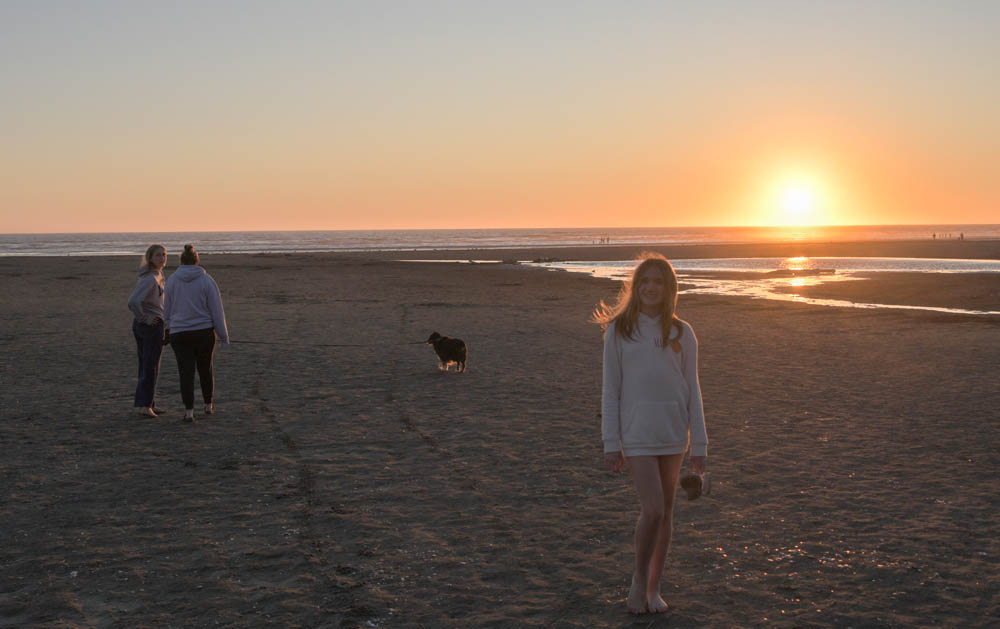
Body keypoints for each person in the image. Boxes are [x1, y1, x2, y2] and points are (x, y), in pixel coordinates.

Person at [592, 252, 708, 615]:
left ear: (669, 288)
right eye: (645, 281)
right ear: (635, 287)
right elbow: (611, 391)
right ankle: (638, 581)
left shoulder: (681, 332)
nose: (651, 288)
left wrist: (699, 445)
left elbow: (693, 388)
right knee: (653, 509)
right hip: (637, 435)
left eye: (658, 282)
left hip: (674, 435)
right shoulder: (619, 330)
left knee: (668, 512)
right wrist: (612, 443)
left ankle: (655, 587)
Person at [163, 244, 230, 422]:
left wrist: (168, 327)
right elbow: (217, 310)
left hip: (180, 333)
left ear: (181, 261)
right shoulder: (207, 281)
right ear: (197, 261)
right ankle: (208, 405)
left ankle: (189, 411)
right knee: (205, 369)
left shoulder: (172, 281)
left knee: (185, 372)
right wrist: (223, 335)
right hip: (203, 332)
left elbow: (166, 309)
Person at [127, 244, 168, 417]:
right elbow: (133, 301)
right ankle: (144, 405)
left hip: (154, 324)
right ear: (150, 258)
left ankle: (149, 402)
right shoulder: (150, 278)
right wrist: (145, 318)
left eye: (164, 255)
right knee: (149, 365)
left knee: (149, 364)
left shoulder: (158, 275)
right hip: (149, 326)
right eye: (158, 255)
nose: (162, 258)